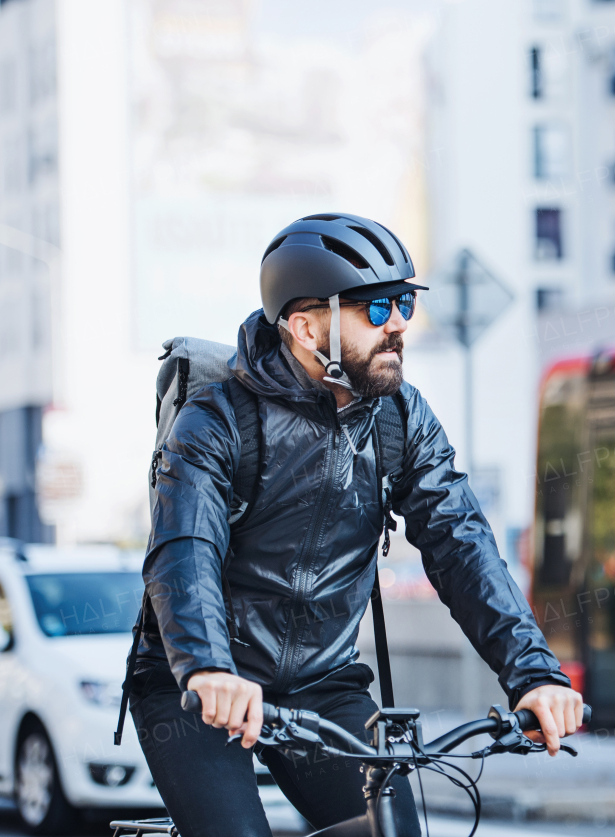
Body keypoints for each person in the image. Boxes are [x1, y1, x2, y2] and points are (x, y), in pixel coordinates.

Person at [131, 213, 582, 837]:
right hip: (204, 686)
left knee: (389, 831)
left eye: (403, 302)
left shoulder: (400, 419)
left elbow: (461, 544)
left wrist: (533, 674)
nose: (398, 324)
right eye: (373, 309)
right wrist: (208, 667)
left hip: (323, 684)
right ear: (305, 326)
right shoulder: (217, 421)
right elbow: (186, 550)